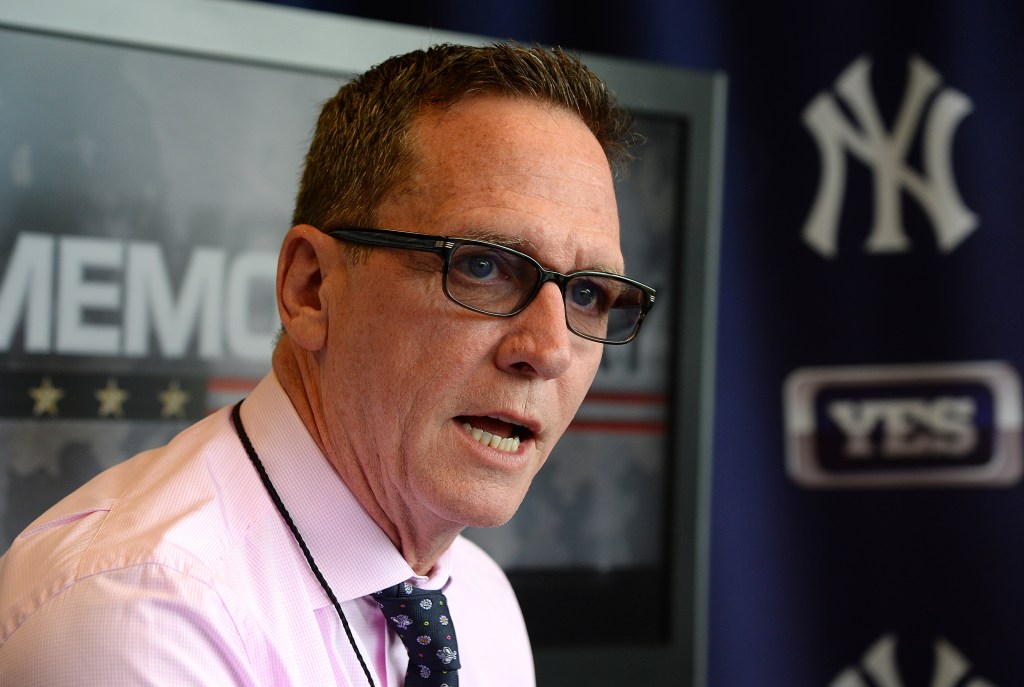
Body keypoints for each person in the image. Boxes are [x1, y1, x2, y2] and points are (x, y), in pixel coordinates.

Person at [0, 43, 655, 685]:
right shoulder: (136, 609)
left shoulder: (482, 604)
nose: (547, 350)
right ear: (310, 288)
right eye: (483, 266)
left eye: (589, 294)